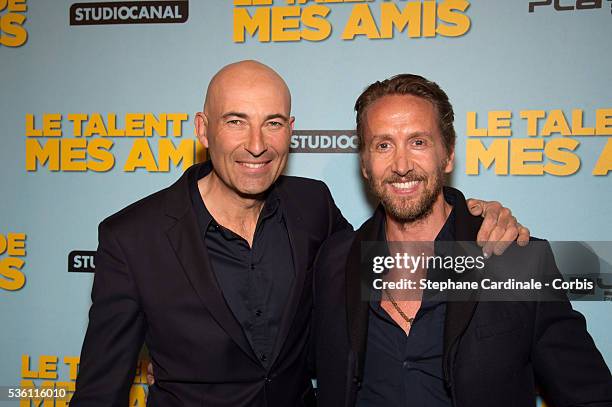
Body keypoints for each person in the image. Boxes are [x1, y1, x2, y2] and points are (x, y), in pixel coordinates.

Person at [70, 61, 528, 407]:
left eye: (272, 122)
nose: (256, 143)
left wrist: (473, 217)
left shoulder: (313, 207)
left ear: (290, 131)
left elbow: (389, 249)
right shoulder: (132, 238)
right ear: (203, 130)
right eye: (235, 121)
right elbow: (100, 390)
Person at [314, 74, 612, 407]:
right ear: (365, 164)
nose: (401, 165)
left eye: (418, 142)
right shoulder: (335, 261)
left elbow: (589, 395)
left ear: (448, 154)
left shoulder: (515, 261)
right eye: (383, 145)